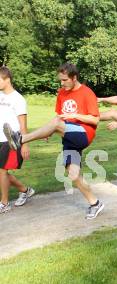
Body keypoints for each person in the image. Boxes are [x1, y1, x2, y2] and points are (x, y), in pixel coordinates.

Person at [3, 63, 103, 219]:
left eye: (64, 80)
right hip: (68, 137)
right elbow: (58, 118)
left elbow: (95, 120)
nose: (62, 84)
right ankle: (95, 203)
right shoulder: (62, 93)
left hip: (83, 133)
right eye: (60, 80)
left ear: (74, 77)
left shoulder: (87, 93)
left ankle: (20, 138)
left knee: (56, 125)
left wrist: (74, 116)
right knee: (73, 174)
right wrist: (49, 130)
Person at [0, 67, 34, 213]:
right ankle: (25, 190)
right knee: (1, 173)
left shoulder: (18, 99)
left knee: (2, 172)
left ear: (7, 79)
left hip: (11, 140)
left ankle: (4, 202)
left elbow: (23, 125)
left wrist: (25, 144)